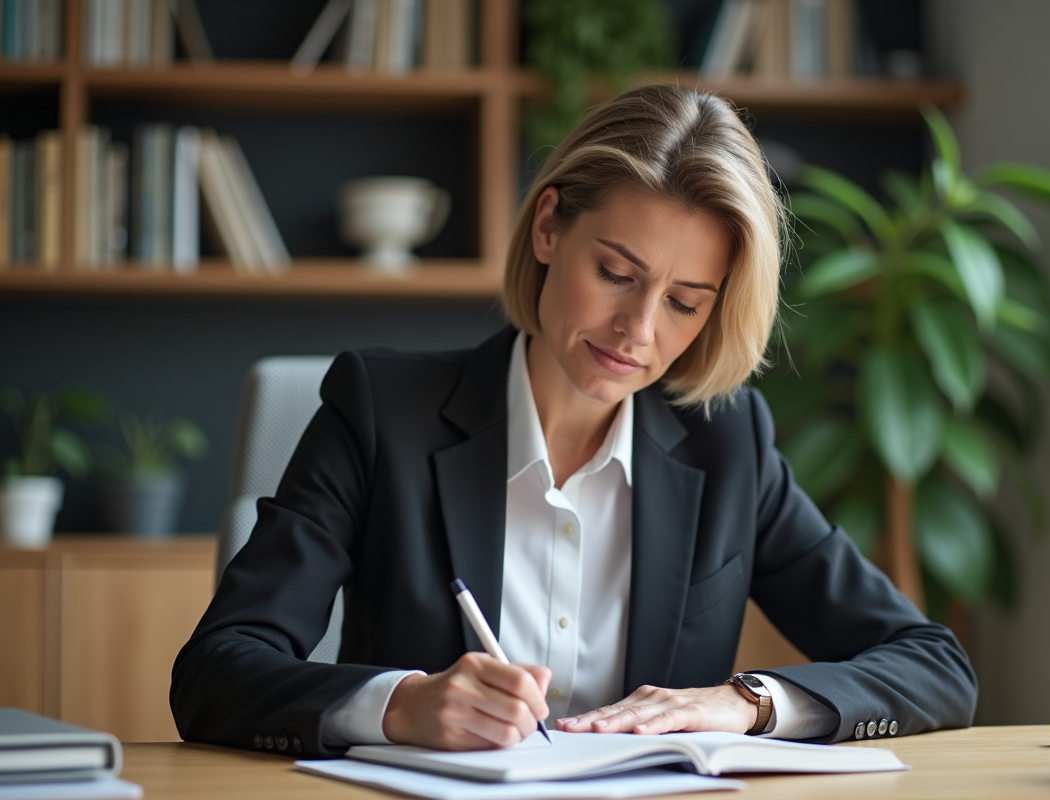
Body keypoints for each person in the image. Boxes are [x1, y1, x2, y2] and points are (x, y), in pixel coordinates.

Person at [170, 84, 977, 758]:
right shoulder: (383, 414)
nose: (640, 330)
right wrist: (400, 705)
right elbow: (216, 671)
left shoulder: (728, 444)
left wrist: (748, 704)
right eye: (617, 273)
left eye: (685, 303)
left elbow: (933, 665)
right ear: (550, 226)